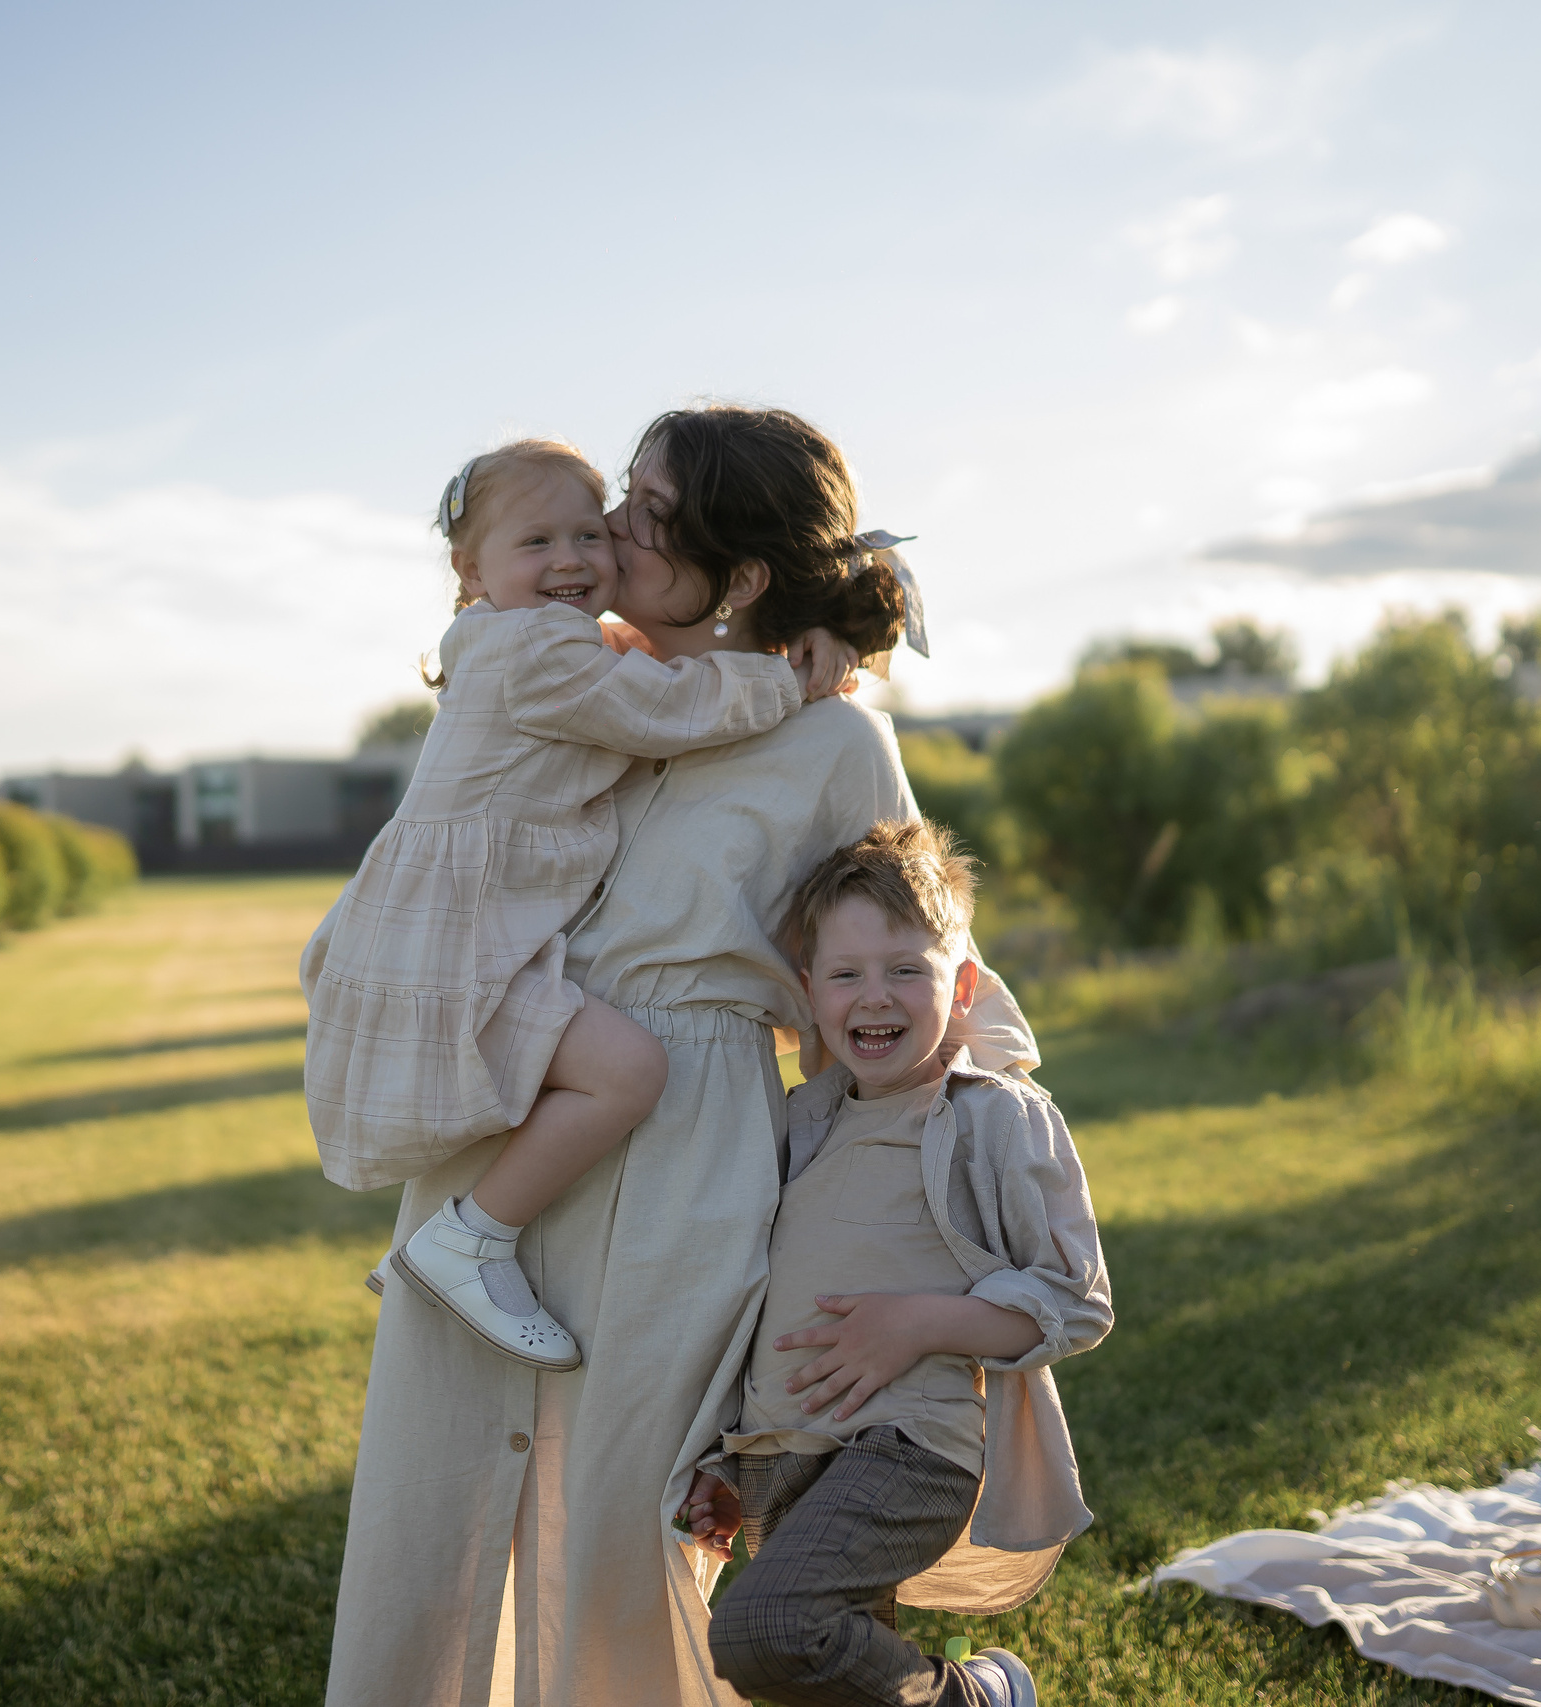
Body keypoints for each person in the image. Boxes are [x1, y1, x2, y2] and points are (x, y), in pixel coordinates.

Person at [323, 405, 1039, 1707]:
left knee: (615, 1518)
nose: (613, 531)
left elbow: (916, 973)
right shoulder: (587, 681)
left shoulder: (832, 733)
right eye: (618, 500)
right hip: (520, 1106)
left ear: (745, 573)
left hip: (685, 1143)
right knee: (433, 1492)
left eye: (652, 510)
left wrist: (987, 1187)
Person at [300, 437, 813, 1370]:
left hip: (465, 924)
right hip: (459, 936)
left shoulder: (526, 640)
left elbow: (631, 667)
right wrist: (787, 677)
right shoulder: (537, 650)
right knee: (629, 1072)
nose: (573, 558)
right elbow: (666, 710)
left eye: (588, 531)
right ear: (472, 570)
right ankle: (472, 1237)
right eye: (536, 542)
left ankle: (470, 1232)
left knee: (599, 1069)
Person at [680, 819, 1111, 1707]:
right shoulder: (803, 1121)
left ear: (959, 987)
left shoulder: (994, 1115)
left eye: (905, 970)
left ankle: (976, 1698)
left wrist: (918, 1320)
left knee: (764, 1629)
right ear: (810, 991)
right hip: (784, 1454)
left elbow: (1076, 1298)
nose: (874, 995)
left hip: (908, 1445)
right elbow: (773, 1298)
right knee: (828, 1671)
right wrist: (733, 1465)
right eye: (846, 974)